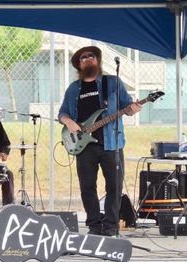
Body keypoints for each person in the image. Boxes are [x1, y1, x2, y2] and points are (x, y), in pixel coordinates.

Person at [58, 46, 141, 236]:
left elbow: (127, 106)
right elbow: (62, 113)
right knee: (87, 187)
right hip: (84, 146)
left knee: (114, 187)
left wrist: (133, 108)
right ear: (79, 65)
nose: (87, 59)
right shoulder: (73, 89)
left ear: (98, 60)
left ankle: (111, 227)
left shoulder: (112, 83)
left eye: (91, 56)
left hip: (111, 143)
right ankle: (94, 227)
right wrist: (68, 121)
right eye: (82, 58)